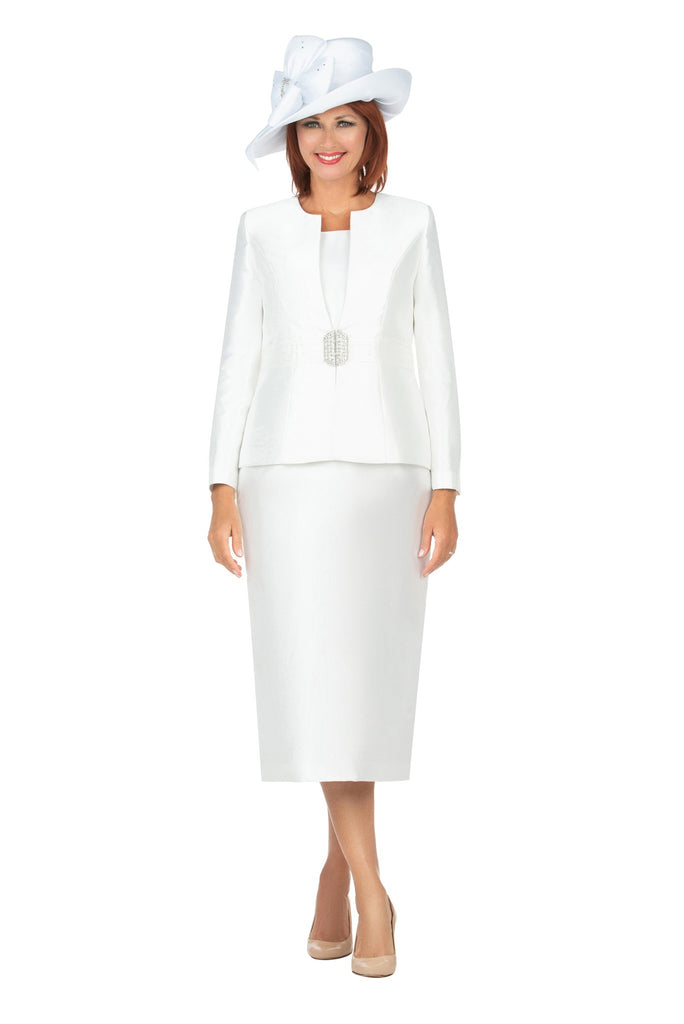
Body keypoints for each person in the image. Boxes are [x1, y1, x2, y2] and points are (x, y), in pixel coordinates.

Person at [207, 35, 462, 978]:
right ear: (292, 135)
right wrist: (220, 483)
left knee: (363, 686)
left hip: (388, 476)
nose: (327, 139)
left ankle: (335, 876)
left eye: (345, 120)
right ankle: (372, 889)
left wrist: (447, 485)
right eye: (310, 122)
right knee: (311, 684)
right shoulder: (260, 230)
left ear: (371, 132)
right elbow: (239, 355)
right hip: (281, 477)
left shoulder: (414, 224)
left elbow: (436, 354)